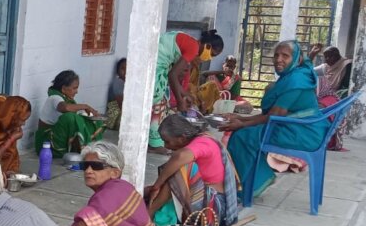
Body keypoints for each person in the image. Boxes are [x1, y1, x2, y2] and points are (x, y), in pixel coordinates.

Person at [221, 40, 327, 199]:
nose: (279, 59)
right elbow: (274, 114)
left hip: (303, 133)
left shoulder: (295, 80)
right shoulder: (300, 72)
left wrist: (241, 123)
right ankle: (254, 180)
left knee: (242, 136)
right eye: (276, 55)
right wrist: (241, 119)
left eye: (285, 56)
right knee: (243, 131)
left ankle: (246, 187)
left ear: (296, 58)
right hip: (302, 127)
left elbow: (274, 115)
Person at [145, 115, 239, 226]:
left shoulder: (203, 142)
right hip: (203, 198)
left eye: (167, 141)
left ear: (182, 137)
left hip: (213, 207)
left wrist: (157, 185)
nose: (166, 146)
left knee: (181, 169)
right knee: (150, 189)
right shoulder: (200, 139)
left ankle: (151, 211)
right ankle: (153, 206)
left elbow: (180, 156)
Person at [150, 30, 224, 154]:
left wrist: (184, 95)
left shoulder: (190, 42)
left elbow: (173, 77)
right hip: (155, 65)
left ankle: (153, 139)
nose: (209, 58)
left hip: (156, 63)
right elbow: (173, 75)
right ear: (207, 46)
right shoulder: (193, 48)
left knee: (160, 101)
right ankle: (154, 144)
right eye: (212, 54)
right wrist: (180, 101)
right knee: (158, 103)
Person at [33, 70, 104, 158]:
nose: (77, 91)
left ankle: (91, 150)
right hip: (46, 144)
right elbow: (65, 108)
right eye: (74, 88)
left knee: (95, 120)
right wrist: (86, 106)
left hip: (58, 136)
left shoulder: (66, 99)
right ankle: (79, 149)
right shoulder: (54, 97)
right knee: (69, 117)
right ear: (63, 89)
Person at [309, 44, 352, 151]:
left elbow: (346, 87)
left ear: (338, 55)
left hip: (337, 95)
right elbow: (309, 71)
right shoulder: (325, 67)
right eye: (325, 57)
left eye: (330, 56)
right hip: (325, 92)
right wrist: (311, 56)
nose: (327, 59)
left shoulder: (346, 65)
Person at [105, 58, 126, 130]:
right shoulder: (118, 82)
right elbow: (121, 103)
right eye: (122, 68)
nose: (125, 71)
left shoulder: (128, 84)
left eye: (128, 68)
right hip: (114, 117)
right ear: (117, 71)